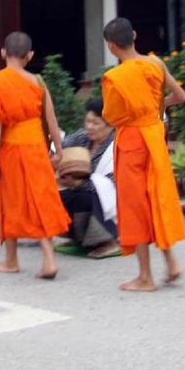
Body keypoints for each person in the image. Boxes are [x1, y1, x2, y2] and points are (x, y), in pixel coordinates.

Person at [100, 16, 185, 292]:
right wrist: (155, 109)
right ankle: (171, 261)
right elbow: (179, 96)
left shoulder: (115, 77)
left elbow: (111, 116)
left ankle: (145, 277)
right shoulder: (156, 63)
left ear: (112, 47)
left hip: (132, 140)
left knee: (136, 205)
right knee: (156, 198)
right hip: (155, 136)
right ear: (134, 35)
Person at [0, 32, 68, 279]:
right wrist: (59, 150)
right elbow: (51, 118)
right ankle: (48, 256)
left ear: (2, 53)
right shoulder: (37, 82)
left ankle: (11, 260)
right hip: (36, 147)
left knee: (10, 201)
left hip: (11, 147)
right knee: (40, 199)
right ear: (30, 56)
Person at [58, 98, 120, 258]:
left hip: (113, 196)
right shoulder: (83, 137)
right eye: (88, 122)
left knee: (83, 196)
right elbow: (61, 146)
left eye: (95, 123)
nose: (89, 127)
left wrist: (78, 183)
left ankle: (109, 241)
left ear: (109, 124)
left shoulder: (117, 145)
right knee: (60, 196)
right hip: (83, 188)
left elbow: (114, 183)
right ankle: (79, 239)